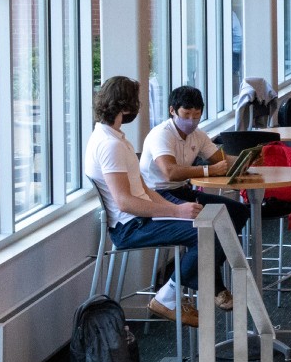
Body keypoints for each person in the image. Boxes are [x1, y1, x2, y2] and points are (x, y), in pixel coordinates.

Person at [84, 76, 228, 325]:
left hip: (139, 218)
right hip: (130, 226)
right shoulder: (110, 145)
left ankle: (181, 292)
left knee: (209, 222)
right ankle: (168, 296)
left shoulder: (116, 139)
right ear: (127, 107)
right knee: (206, 233)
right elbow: (125, 203)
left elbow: (143, 188)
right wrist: (175, 212)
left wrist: (175, 209)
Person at [139, 83, 252, 252]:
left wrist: (246, 159)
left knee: (238, 211)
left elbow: (221, 159)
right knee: (211, 227)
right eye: (186, 114)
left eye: (196, 115)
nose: (191, 120)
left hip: (181, 190)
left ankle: (214, 264)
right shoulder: (161, 134)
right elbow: (170, 172)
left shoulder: (197, 134)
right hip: (157, 194)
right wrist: (209, 170)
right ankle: (184, 277)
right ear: (172, 111)